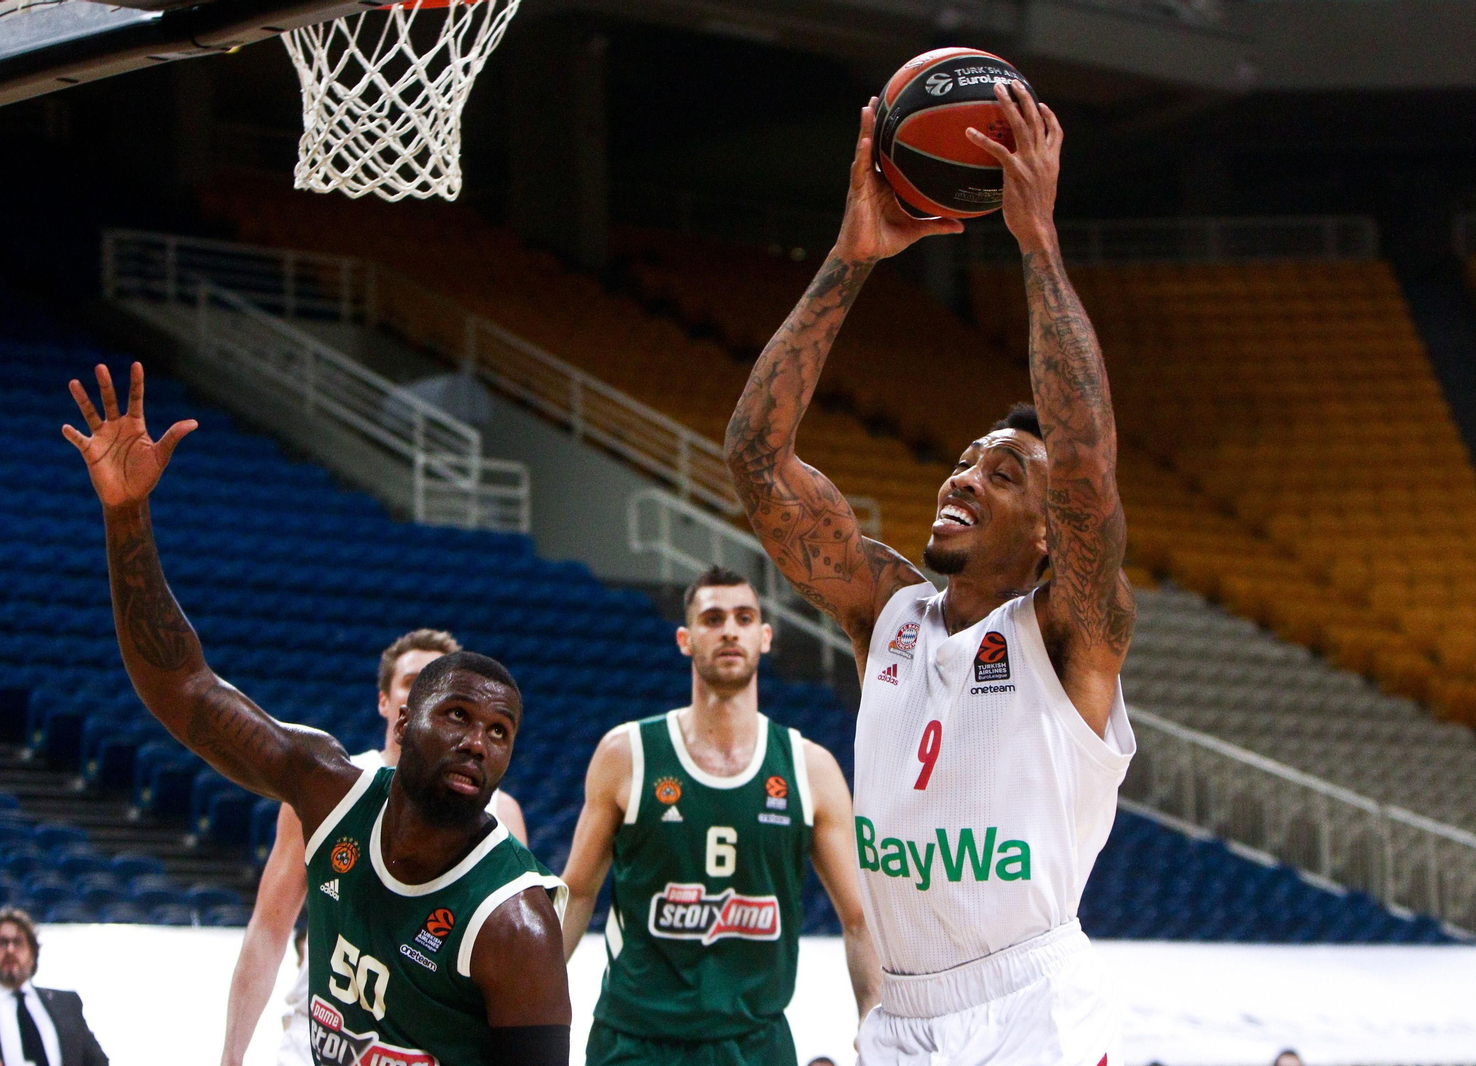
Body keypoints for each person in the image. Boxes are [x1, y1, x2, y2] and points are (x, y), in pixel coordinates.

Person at [724, 80, 1135, 1065]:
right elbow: (755, 457)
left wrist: (1035, 242)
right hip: (902, 1014)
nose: (964, 477)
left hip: (1031, 1003)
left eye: (1003, 473)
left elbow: (1081, 461)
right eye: (964, 460)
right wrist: (847, 260)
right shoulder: (888, 610)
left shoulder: (1072, 633)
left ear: (1048, 533)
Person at [63, 363, 572, 1066]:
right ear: (402, 715)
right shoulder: (329, 790)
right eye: (456, 715)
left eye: (498, 732)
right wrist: (127, 516)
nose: (476, 742)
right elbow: (184, 688)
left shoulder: (518, 924)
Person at [559, 566, 880, 1066]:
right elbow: (577, 892)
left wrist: (871, 1016)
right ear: (685, 639)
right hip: (636, 1040)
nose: (729, 629)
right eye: (712, 618)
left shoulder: (809, 768)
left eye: (744, 617)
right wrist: (527, 1010)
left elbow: (860, 919)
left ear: (764, 637)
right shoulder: (628, 753)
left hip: (755, 1042)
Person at [221, 629, 531, 1066]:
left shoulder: (502, 814)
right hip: (319, 1043)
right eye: (410, 682)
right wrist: (231, 1056)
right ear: (386, 702)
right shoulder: (330, 792)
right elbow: (268, 931)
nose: (422, 692)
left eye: (439, 686)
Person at [0, 908, 107, 1066]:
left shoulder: (67, 1004)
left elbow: (98, 1062)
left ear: (33, 952)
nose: (10, 950)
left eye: (18, 942)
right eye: (1, 942)